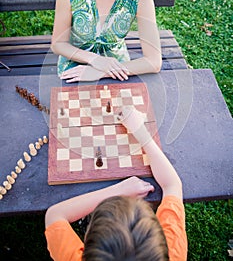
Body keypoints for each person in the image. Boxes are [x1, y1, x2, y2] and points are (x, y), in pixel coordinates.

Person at [45, 106, 188, 260]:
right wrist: (141, 132)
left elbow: (54, 215)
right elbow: (172, 185)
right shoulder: (173, 254)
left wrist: (118, 190)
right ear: (161, 241)